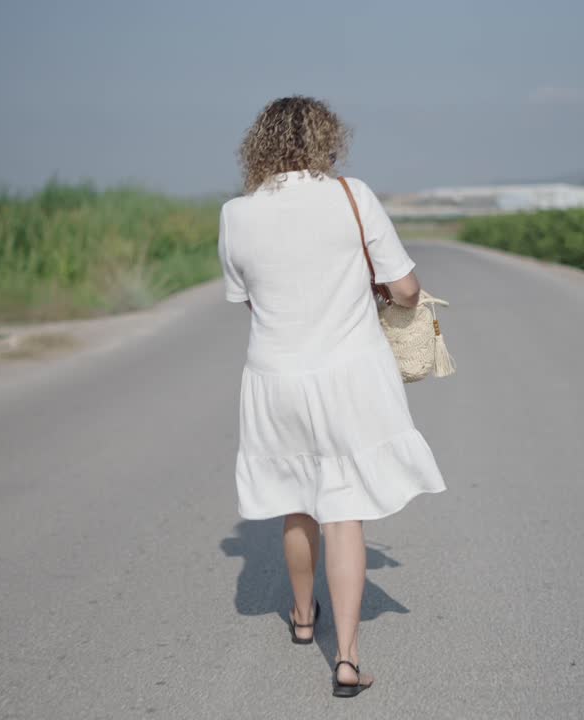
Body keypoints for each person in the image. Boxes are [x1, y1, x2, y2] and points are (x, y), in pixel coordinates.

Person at [218, 96, 446, 698]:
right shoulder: (352, 195)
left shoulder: (235, 214)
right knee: (344, 510)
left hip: (274, 378)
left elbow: (246, 298)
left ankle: (301, 617)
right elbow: (404, 287)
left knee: (298, 501)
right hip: (348, 373)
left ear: (259, 145)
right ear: (327, 138)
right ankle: (346, 659)